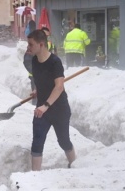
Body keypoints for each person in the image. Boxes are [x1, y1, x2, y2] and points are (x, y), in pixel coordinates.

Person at [27, 29, 76, 171]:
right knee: (37, 141)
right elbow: (42, 80)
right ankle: (34, 176)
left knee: (63, 141)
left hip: (59, 109)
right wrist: (38, 90)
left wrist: (45, 105)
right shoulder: (35, 60)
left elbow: (59, 87)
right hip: (42, 110)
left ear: (41, 44)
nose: (28, 47)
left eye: (31, 44)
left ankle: (74, 165)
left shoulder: (55, 62)